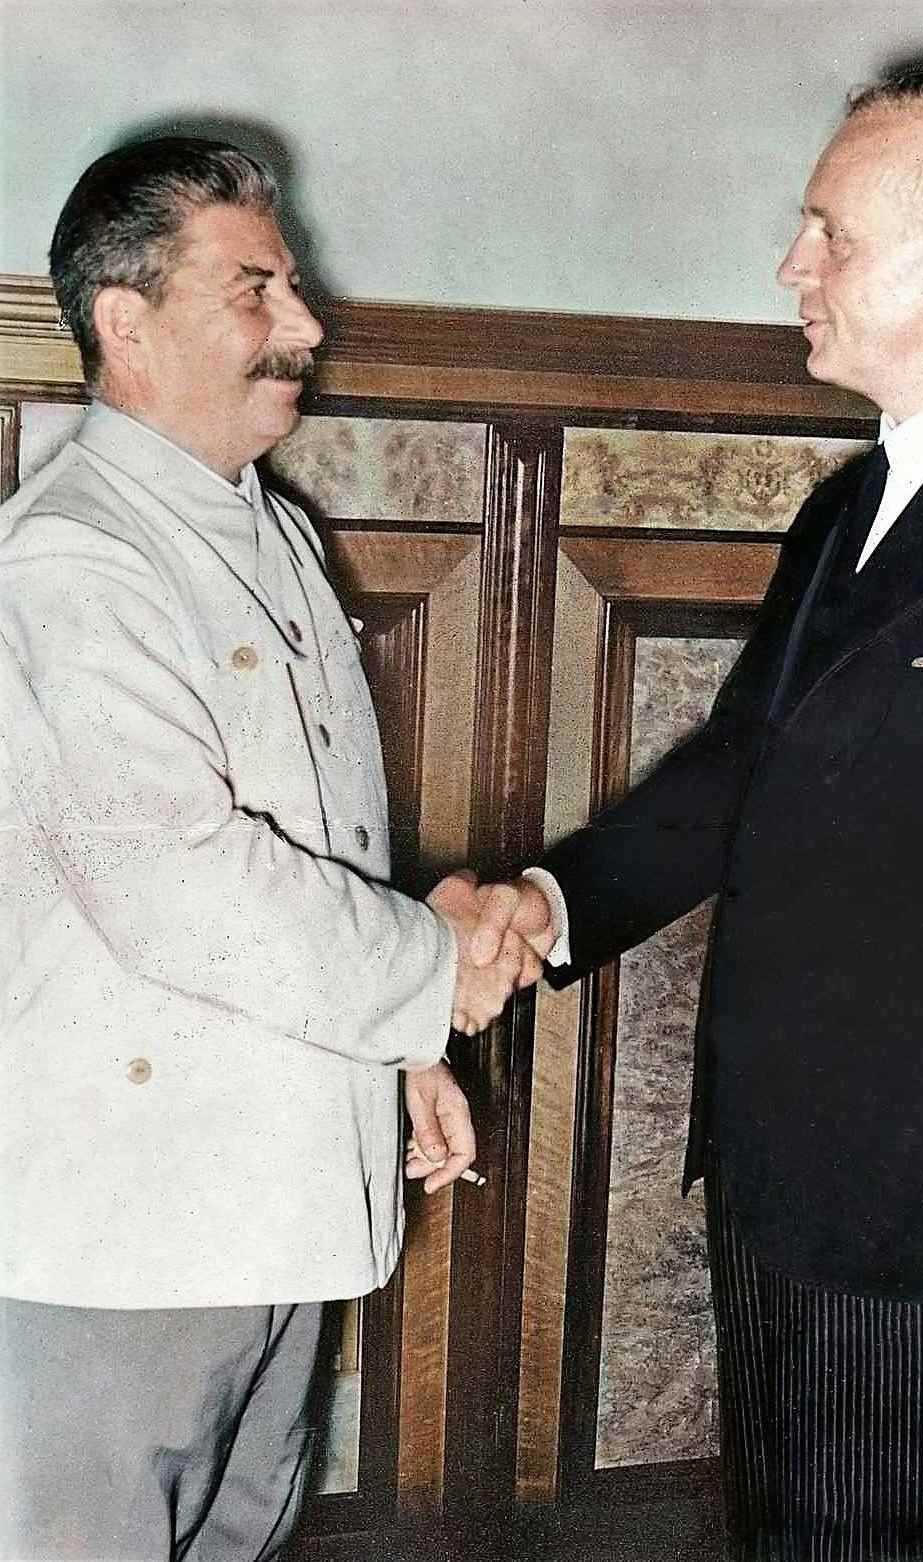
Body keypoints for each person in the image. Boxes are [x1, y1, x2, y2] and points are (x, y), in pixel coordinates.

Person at [470, 72, 923, 1558]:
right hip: (790, 1184)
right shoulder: (840, 510)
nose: (791, 267)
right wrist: (549, 906)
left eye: (828, 232)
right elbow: (740, 773)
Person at [0, 138, 533, 1562]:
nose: (304, 326)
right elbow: (182, 879)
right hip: (132, 1236)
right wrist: (430, 974)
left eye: (291, 286)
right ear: (126, 323)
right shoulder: (74, 554)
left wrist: (402, 1050)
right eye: (254, 289)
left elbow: (321, 844)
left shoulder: (266, 528)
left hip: (276, 1198)